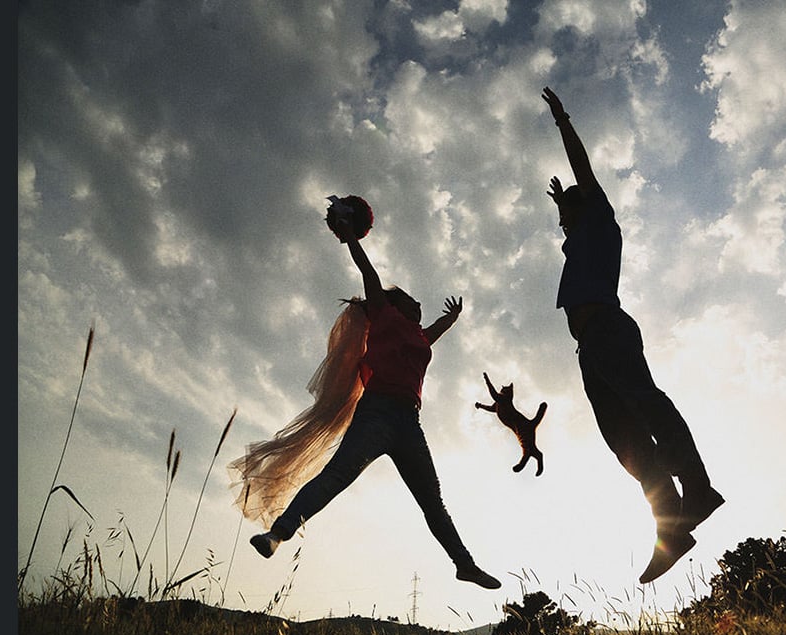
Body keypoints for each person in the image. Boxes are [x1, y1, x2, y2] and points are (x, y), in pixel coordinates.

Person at [238, 196, 501, 590]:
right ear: (397, 303)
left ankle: (464, 565)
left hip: (408, 423)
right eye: (411, 297)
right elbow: (368, 270)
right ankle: (278, 534)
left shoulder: (417, 335)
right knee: (336, 477)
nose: (417, 301)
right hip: (376, 413)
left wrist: (453, 318)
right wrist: (349, 238)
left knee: (433, 500)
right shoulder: (384, 311)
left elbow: (434, 335)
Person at [541, 86, 724, 583]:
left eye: (564, 217)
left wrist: (563, 122)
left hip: (609, 331)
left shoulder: (600, 218)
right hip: (588, 348)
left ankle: (698, 488)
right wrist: (564, 207)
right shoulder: (579, 236)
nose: (561, 226)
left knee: (648, 404)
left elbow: (583, 173)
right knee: (623, 440)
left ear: (582, 211)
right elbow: (570, 219)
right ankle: (672, 529)